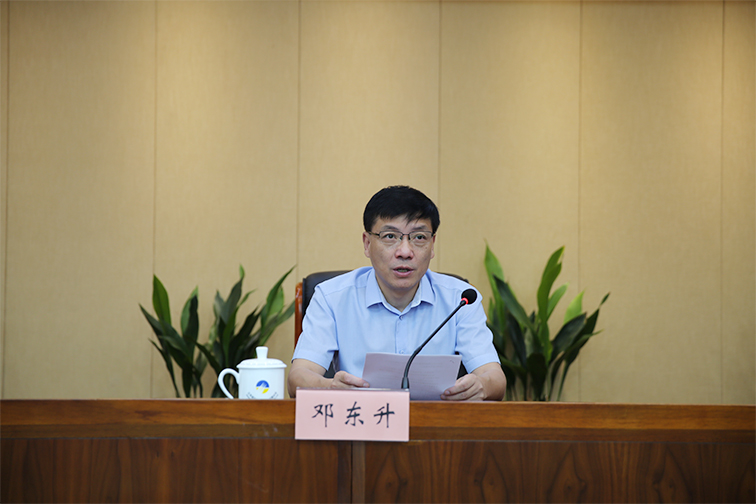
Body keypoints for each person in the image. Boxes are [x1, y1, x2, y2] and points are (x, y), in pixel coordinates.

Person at [288, 185, 506, 401]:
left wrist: (480, 386)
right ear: (367, 243)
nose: (405, 252)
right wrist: (330, 388)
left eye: (419, 237)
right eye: (390, 236)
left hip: (435, 420)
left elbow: (495, 378)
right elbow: (298, 377)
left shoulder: (461, 299)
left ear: (432, 245)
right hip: (360, 419)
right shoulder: (332, 298)